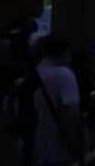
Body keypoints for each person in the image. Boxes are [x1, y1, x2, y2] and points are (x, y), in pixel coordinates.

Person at [31, 36, 83, 166]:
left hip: (35, 149)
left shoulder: (34, 73)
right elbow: (70, 113)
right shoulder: (63, 74)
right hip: (59, 151)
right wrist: (75, 146)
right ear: (65, 52)